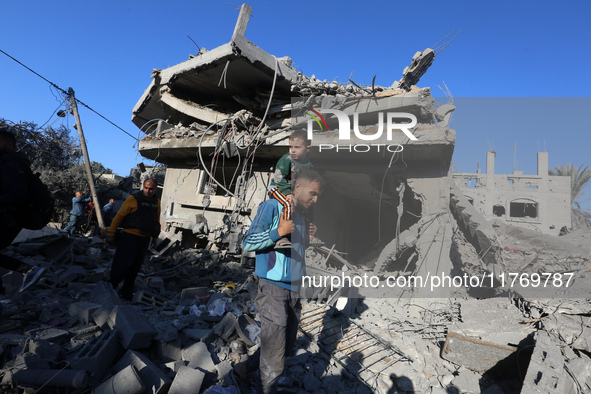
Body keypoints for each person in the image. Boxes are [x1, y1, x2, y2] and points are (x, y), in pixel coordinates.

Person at [236, 170, 324, 393]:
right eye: (312, 194)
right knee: (275, 354)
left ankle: (244, 370)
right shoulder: (272, 207)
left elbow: (294, 252)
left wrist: (307, 238)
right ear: (297, 188)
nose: (315, 200)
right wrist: (277, 232)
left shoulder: (303, 216)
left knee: (284, 347)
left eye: (318, 197)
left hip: (294, 288)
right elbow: (247, 243)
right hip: (273, 286)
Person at [0, 128, 44, 294]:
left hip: (9, 217)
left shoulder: (11, 165)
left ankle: (29, 270)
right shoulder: (7, 163)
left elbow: (17, 194)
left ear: (10, 145)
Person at [106, 179, 160, 300]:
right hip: (129, 237)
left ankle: (126, 293)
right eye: (146, 188)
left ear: (155, 189)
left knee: (135, 268)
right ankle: (110, 289)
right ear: (143, 187)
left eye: (151, 189)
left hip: (144, 239)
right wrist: (111, 233)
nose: (148, 191)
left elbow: (156, 221)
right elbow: (119, 216)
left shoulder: (157, 202)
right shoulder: (133, 199)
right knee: (122, 265)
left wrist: (155, 238)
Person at [268, 129, 313, 248]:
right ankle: (282, 237)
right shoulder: (286, 159)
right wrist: (288, 193)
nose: (292, 150)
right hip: (277, 188)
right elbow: (278, 179)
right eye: (290, 147)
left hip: (292, 192)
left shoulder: (308, 165)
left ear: (308, 149)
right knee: (288, 205)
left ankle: (308, 235)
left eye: (297, 147)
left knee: (307, 208)